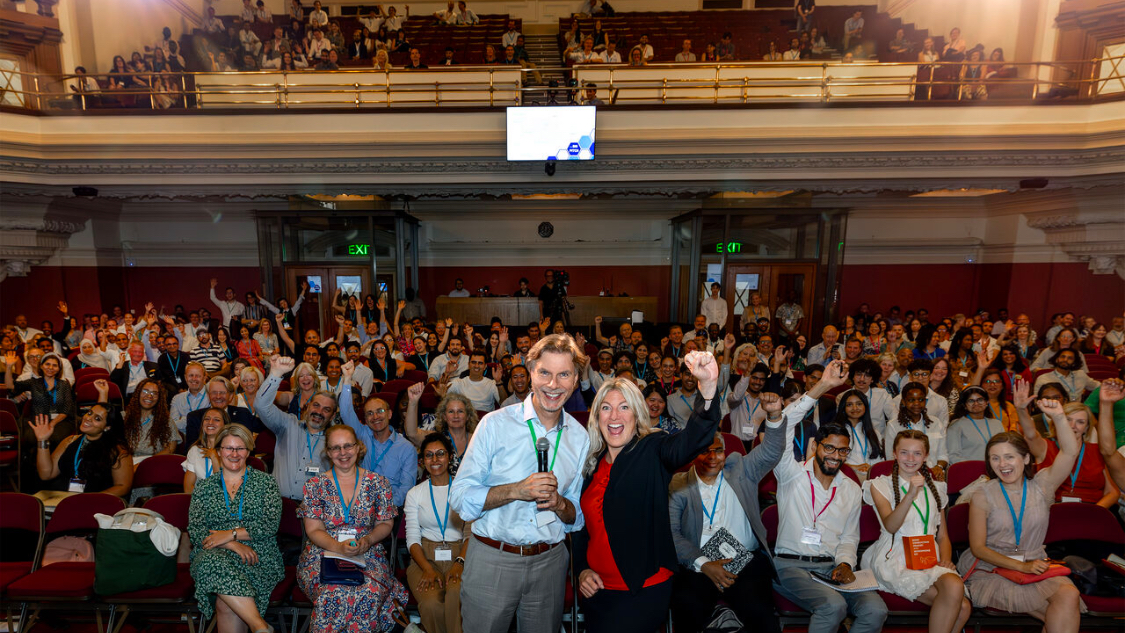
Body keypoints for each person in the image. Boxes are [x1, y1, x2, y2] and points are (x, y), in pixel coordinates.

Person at [448, 334, 589, 633]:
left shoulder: (580, 436)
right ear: (530, 374)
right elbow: (459, 499)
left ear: (575, 379)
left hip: (550, 563)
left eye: (564, 374)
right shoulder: (494, 425)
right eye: (545, 373)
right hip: (493, 559)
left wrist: (562, 504)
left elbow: (576, 516)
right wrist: (516, 490)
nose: (554, 384)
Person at [573, 351, 721, 632]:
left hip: (642, 590)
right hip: (597, 592)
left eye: (624, 407)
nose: (614, 416)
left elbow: (693, 439)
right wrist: (581, 569)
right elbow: (583, 529)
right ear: (596, 416)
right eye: (606, 408)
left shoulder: (653, 448)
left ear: (637, 413)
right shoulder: (592, 463)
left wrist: (709, 387)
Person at [771, 369, 888, 633]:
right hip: (791, 567)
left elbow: (849, 538)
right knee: (833, 606)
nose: (836, 456)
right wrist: (821, 387)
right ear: (816, 446)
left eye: (843, 450)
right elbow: (785, 424)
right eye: (830, 448)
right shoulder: (790, 473)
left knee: (876, 609)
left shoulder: (850, 488)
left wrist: (846, 563)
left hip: (831, 569)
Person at [957, 408, 1084, 631]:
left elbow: (1071, 452)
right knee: (1061, 617)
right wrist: (1021, 566)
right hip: (992, 568)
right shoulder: (982, 495)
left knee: (1069, 594)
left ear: (1025, 458)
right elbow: (978, 548)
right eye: (995, 458)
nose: (1002, 464)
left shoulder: (1043, 485)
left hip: (1035, 563)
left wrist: (1059, 417)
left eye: (1009, 456)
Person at [297, 423, 408, 631]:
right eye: (335, 448)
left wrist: (367, 541)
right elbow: (313, 530)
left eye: (348, 446)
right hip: (323, 553)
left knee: (369, 591)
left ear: (358, 447)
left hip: (368, 552)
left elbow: (385, 523)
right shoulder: (315, 485)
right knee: (332, 592)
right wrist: (338, 548)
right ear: (328, 453)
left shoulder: (378, 483)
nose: (343, 453)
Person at [863, 430, 972, 633]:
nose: (910, 459)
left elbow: (942, 535)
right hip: (895, 558)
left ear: (926, 456)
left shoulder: (936, 488)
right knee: (962, 607)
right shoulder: (879, 485)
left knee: (958, 594)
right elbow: (891, 525)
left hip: (929, 558)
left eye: (917, 453)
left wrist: (946, 560)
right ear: (894, 454)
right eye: (904, 452)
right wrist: (910, 494)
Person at [188, 424, 284, 633]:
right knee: (211, 560)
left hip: (258, 554)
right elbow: (196, 530)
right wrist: (232, 544)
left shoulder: (266, 483)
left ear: (248, 451)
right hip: (214, 550)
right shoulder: (204, 487)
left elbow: (269, 524)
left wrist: (230, 533)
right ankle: (259, 626)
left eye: (239, 448)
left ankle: (260, 627)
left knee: (225, 601)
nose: (234, 454)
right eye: (228, 448)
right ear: (219, 451)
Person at [1013, 380, 1117, 508]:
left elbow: (1113, 492)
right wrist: (1021, 409)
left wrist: (1093, 512)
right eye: (1068, 420)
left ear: (1086, 428)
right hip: (1053, 509)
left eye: (1080, 422)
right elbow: (1030, 434)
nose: (1073, 426)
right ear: (1058, 421)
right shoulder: (1045, 447)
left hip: (1092, 509)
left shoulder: (1099, 451)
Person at [405, 433, 468, 633]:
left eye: (440, 454)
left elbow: (471, 533)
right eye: (429, 455)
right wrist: (427, 569)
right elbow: (412, 539)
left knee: (455, 596)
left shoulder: (464, 489)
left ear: (450, 457)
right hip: (425, 557)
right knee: (431, 603)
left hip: (462, 554)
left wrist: (460, 563)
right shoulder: (415, 494)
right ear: (422, 461)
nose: (435, 460)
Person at [256, 355, 340, 500]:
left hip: (314, 512)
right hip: (280, 507)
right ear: (307, 407)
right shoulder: (288, 424)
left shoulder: (335, 441)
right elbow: (261, 406)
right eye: (316, 405)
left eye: (326, 410)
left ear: (332, 416)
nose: (319, 412)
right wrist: (275, 374)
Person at [338, 364, 416, 507]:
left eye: (380, 411)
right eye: (369, 413)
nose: (375, 417)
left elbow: (406, 488)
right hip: (357, 503)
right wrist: (347, 379)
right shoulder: (362, 434)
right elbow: (345, 412)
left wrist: (383, 508)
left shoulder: (406, 448)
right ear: (366, 420)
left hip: (388, 509)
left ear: (390, 414)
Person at [30, 395, 132, 503]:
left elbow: (123, 486)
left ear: (107, 427)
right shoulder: (69, 441)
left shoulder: (118, 451)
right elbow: (46, 474)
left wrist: (89, 500)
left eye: (97, 418)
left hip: (99, 503)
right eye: (89, 413)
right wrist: (42, 440)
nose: (88, 418)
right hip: (67, 499)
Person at [120, 378, 179, 462]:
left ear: (159, 398)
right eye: (145, 391)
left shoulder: (165, 419)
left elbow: (171, 447)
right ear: (138, 393)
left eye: (154, 393)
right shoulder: (124, 417)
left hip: (154, 462)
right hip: (127, 462)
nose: (149, 396)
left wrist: (147, 463)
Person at [947, 386, 1005, 464]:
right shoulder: (956, 425)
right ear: (964, 405)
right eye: (971, 401)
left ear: (987, 402)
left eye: (980, 400)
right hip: (969, 471)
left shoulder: (997, 424)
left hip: (996, 469)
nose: (976, 403)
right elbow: (952, 455)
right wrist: (974, 468)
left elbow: (1004, 449)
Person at [834, 389, 884, 479]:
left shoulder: (874, 433)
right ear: (843, 408)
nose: (855, 408)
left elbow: (879, 460)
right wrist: (854, 468)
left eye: (859, 404)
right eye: (849, 405)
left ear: (865, 406)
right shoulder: (835, 432)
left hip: (870, 478)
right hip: (844, 477)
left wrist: (871, 469)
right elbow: (831, 460)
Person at [183, 407, 228, 494]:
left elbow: (223, 487)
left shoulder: (232, 450)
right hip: (198, 502)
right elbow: (188, 488)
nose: (210, 422)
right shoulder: (195, 450)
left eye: (216, 420)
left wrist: (215, 459)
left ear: (225, 425)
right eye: (206, 419)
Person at [1033, 349, 1099, 403]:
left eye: (1070, 358)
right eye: (1063, 357)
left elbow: (1097, 386)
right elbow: (1037, 401)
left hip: (1077, 412)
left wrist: (1107, 382)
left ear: (1074, 363)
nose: (1065, 360)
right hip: (1053, 411)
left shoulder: (1080, 375)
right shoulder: (1043, 379)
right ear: (1057, 359)